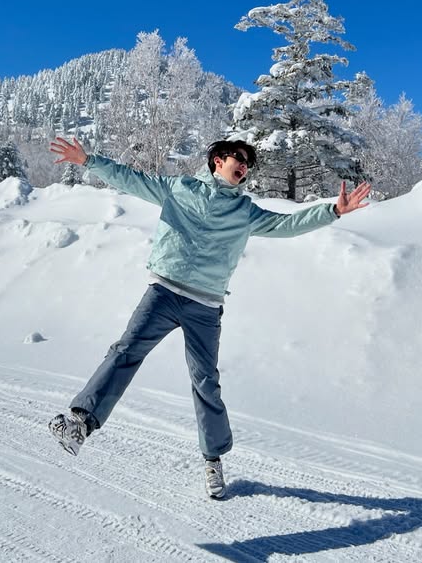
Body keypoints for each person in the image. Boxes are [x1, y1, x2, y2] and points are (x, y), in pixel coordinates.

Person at [47, 136, 371, 499]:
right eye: (240, 158)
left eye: (249, 163)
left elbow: (285, 225)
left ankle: (213, 460)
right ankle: (80, 423)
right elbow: (130, 178)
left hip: (205, 306)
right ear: (218, 160)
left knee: (205, 382)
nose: (245, 166)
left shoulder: (244, 211)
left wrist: (332, 212)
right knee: (125, 352)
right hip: (164, 293)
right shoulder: (179, 189)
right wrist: (89, 160)